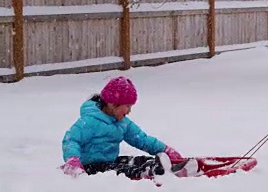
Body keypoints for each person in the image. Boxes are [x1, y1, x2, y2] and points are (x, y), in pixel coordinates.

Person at [60, 76, 198, 179]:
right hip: (90, 167)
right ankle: (151, 172)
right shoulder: (89, 122)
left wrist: (165, 150)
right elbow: (71, 140)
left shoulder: (123, 123)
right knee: (122, 170)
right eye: (127, 106)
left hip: (111, 161)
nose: (129, 111)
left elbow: (141, 139)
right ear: (112, 103)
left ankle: (167, 167)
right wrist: (73, 160)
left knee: (137, 161)